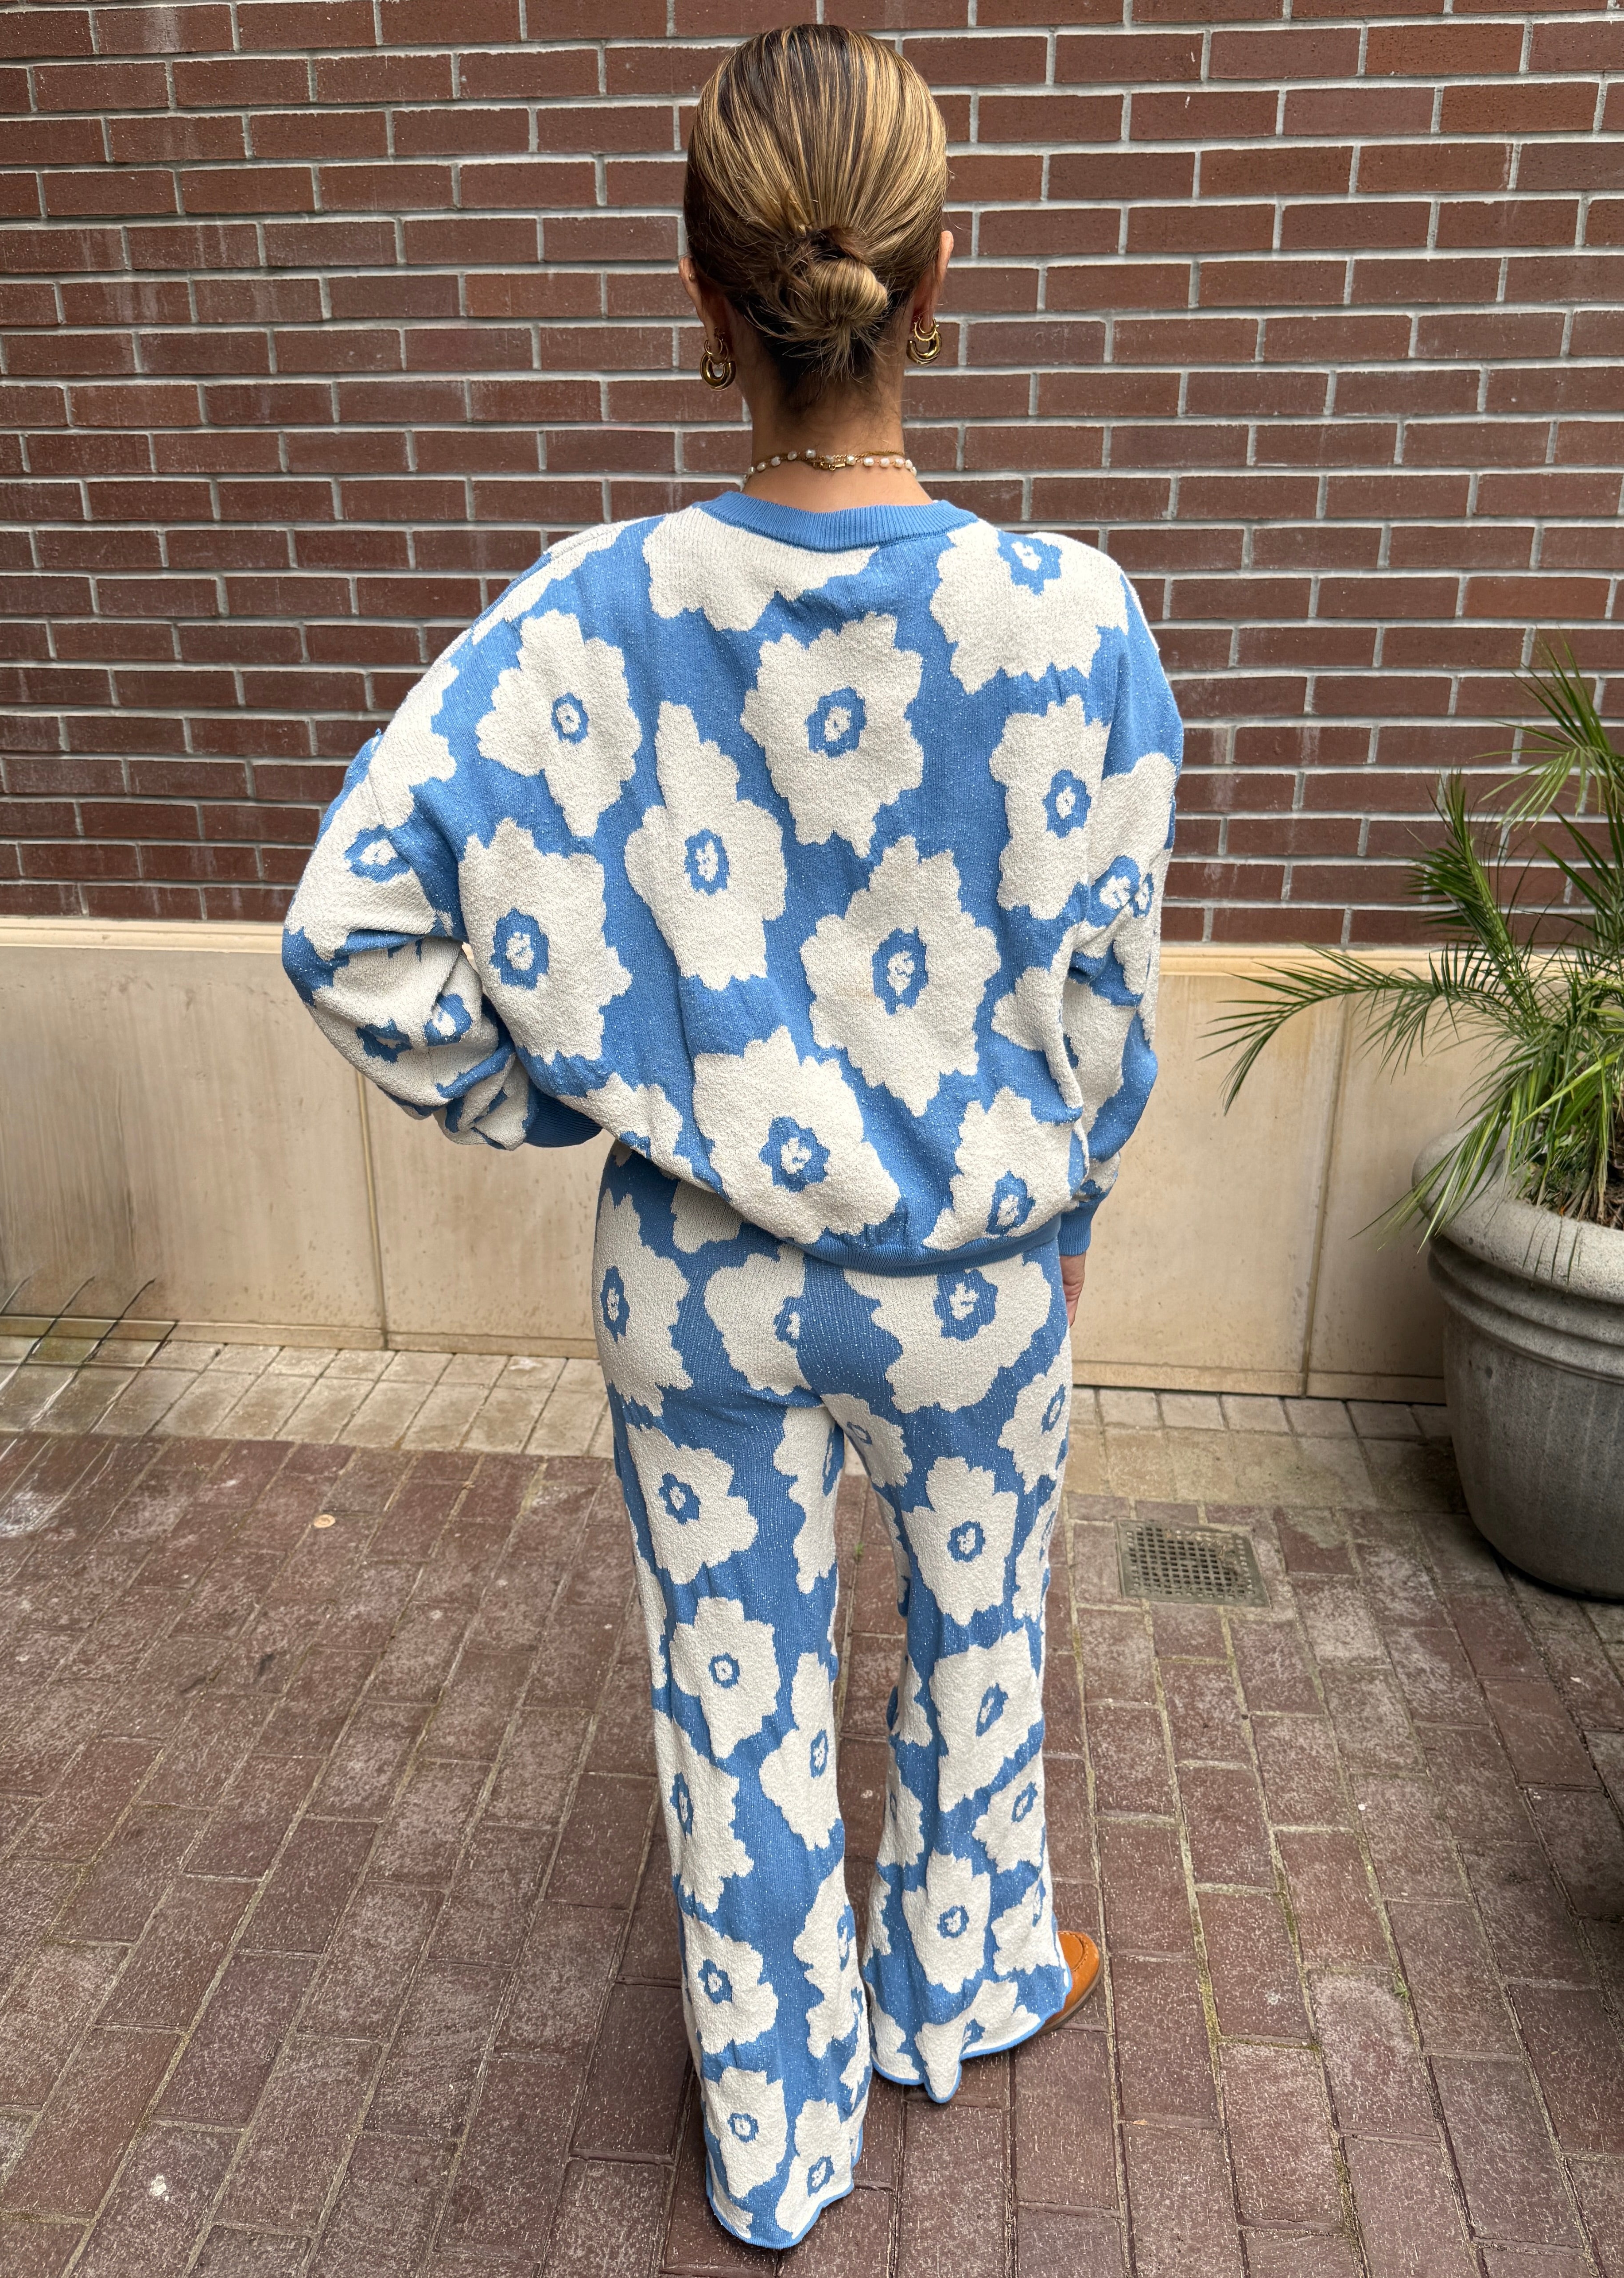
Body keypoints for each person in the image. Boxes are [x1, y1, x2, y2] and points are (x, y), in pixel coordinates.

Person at [282, 20, 1180, 2251]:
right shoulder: (1072, 624)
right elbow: (1102, 1006)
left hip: (698, 1269)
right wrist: (1060, 1200)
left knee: (733, 1702)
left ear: (704, 300)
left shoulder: (593, 610)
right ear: (939, 273)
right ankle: (954, 1982)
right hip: (979, 1275)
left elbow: (349, 923)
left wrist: (574, 1090)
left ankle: (776, 2144)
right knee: (985, 1654)